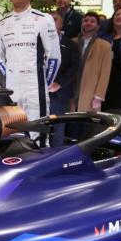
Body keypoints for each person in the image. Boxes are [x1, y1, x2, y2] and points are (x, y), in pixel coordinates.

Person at [0, 0, 60, 125]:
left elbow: (54, 57)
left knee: (39, 130)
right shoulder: (2, 24)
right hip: (12, 87)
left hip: (35, 86)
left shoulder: (44, 19)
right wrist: (12, 77)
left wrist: (44, 82)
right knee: (15, 131)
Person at [48, 11, 80, 146]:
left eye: (54, 19)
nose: (50, 22)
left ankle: (55, 159)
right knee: (39, 127)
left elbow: (74, 68)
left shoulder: (71, 44)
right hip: (39, 94)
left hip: (59, 93)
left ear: (61, 24)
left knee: (57, 129)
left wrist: (59, 84)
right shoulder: (36, 43)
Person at [74, 11, 112, 113]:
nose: (88, 23)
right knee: (70, 124)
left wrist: (98, 96)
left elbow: (105, 74)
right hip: (72, 91)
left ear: (98, 26)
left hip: (90, 93)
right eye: (85, 20)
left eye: (92, 21)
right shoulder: (72, 42)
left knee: (88, 124)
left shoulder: (105, 46)